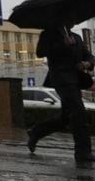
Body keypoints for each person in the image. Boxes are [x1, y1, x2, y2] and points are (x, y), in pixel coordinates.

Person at [28, 20, 95, 162]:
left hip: (76, 80)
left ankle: (36, 131)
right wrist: (61, 45)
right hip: (61, 79)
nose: (72, 21)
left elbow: (88, 55)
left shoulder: (76, 37)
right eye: (68, 18)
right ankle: (83, 152)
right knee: (78, 112)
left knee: (66, 118)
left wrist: (87, 63)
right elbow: (40, 52)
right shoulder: (48, 35)